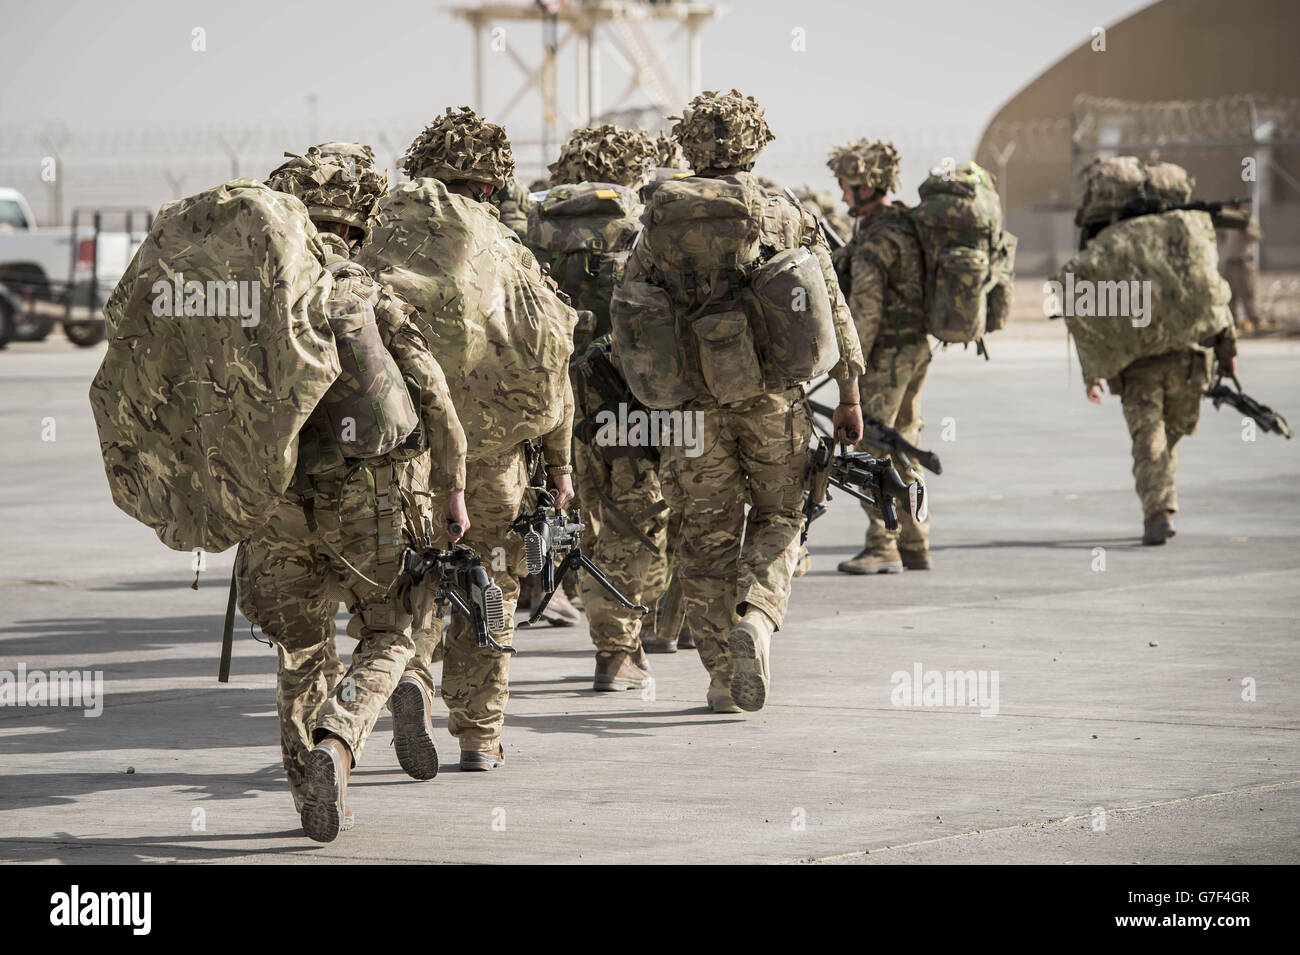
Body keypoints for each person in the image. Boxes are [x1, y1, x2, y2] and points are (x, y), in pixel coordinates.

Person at [247, 142, 468, 840]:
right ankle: (338, 741)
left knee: (300, 648)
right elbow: (434, 397)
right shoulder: (364, 293)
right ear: (359, 221)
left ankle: (308, 787)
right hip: (365, 499)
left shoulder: (249, 304)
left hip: (273, 504)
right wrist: (454, 493)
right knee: (396, 626)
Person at [618, 90, 864, 712]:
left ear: (689, 146)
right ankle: (757, 616)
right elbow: (831, 306)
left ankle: (722, 677)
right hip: (772, 401)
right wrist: (850, 395)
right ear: (755, 143)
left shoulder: (657, 223)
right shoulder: (783, 213)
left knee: (705, 536)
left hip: (687, 411)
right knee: (781, 517)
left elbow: (633, 315)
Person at [379, 107, 575, 771]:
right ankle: (479, 737)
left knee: (414, 582)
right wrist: (561, 464)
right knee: (490, 584)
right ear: (492, 187)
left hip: (403, 456)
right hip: (492, 461)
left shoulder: (378, 245)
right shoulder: (508, 253)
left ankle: (412, 674)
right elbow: (553, 361)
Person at [531, 123, 680, 689]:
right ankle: (617, 648)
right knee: (633, 518)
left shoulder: (536, 227)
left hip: (552, 395)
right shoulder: (645, 225)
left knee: (573, 512)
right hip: (626, 395)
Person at [827, 139, 932, 575]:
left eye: (847, 186)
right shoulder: (901, 225)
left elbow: (866, 312)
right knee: (901, 442)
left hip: (886, 354)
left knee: (871, 443)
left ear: (866, 185)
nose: (842, 195)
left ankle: (883, 541)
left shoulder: (877, 240)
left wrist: (850, 370)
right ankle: (914, 540)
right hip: (914, 349)